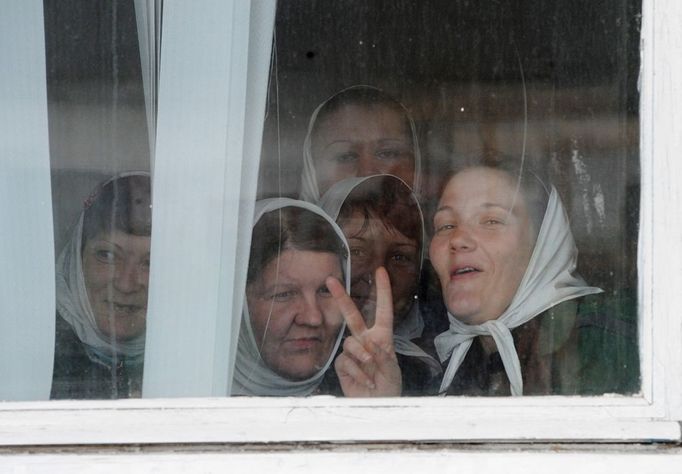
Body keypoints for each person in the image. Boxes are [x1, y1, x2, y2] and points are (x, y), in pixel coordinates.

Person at [319, 175, 441, 395]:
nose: (378, 274)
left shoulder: (439, 367)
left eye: (400, 257)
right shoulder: (296, 362)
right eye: (355, 251)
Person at [231, 199, 351, 396]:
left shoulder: (373, 390)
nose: (313, 318)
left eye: (326, 291)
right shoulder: (190, 399)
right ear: (240, 304)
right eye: (284, 294)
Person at [51, 172, 152, 399]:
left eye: (150, 263)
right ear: (76, 260)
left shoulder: (196, 360)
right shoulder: (34, 350)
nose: (126, 284)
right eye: (107, 255)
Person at [300, 85, 422, 202]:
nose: (367, 172)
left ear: (415, 163)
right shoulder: (284, 222)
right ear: (312, 171)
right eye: (346, 156)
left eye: (387, 153)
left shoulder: (438, 221)